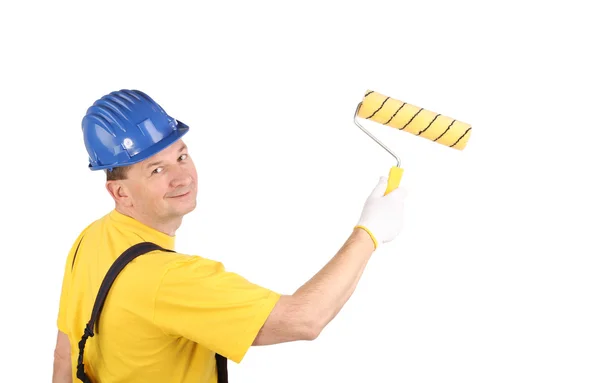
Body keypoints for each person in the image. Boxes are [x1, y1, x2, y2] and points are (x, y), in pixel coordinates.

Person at [52, 89, 407, 383]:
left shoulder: (91, 239)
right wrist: (369, 232)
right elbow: (304, 319)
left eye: (181, 155)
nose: (183, 177)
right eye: (156, 169)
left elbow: (65, 352)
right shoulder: (169, 280)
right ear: (120, 193)